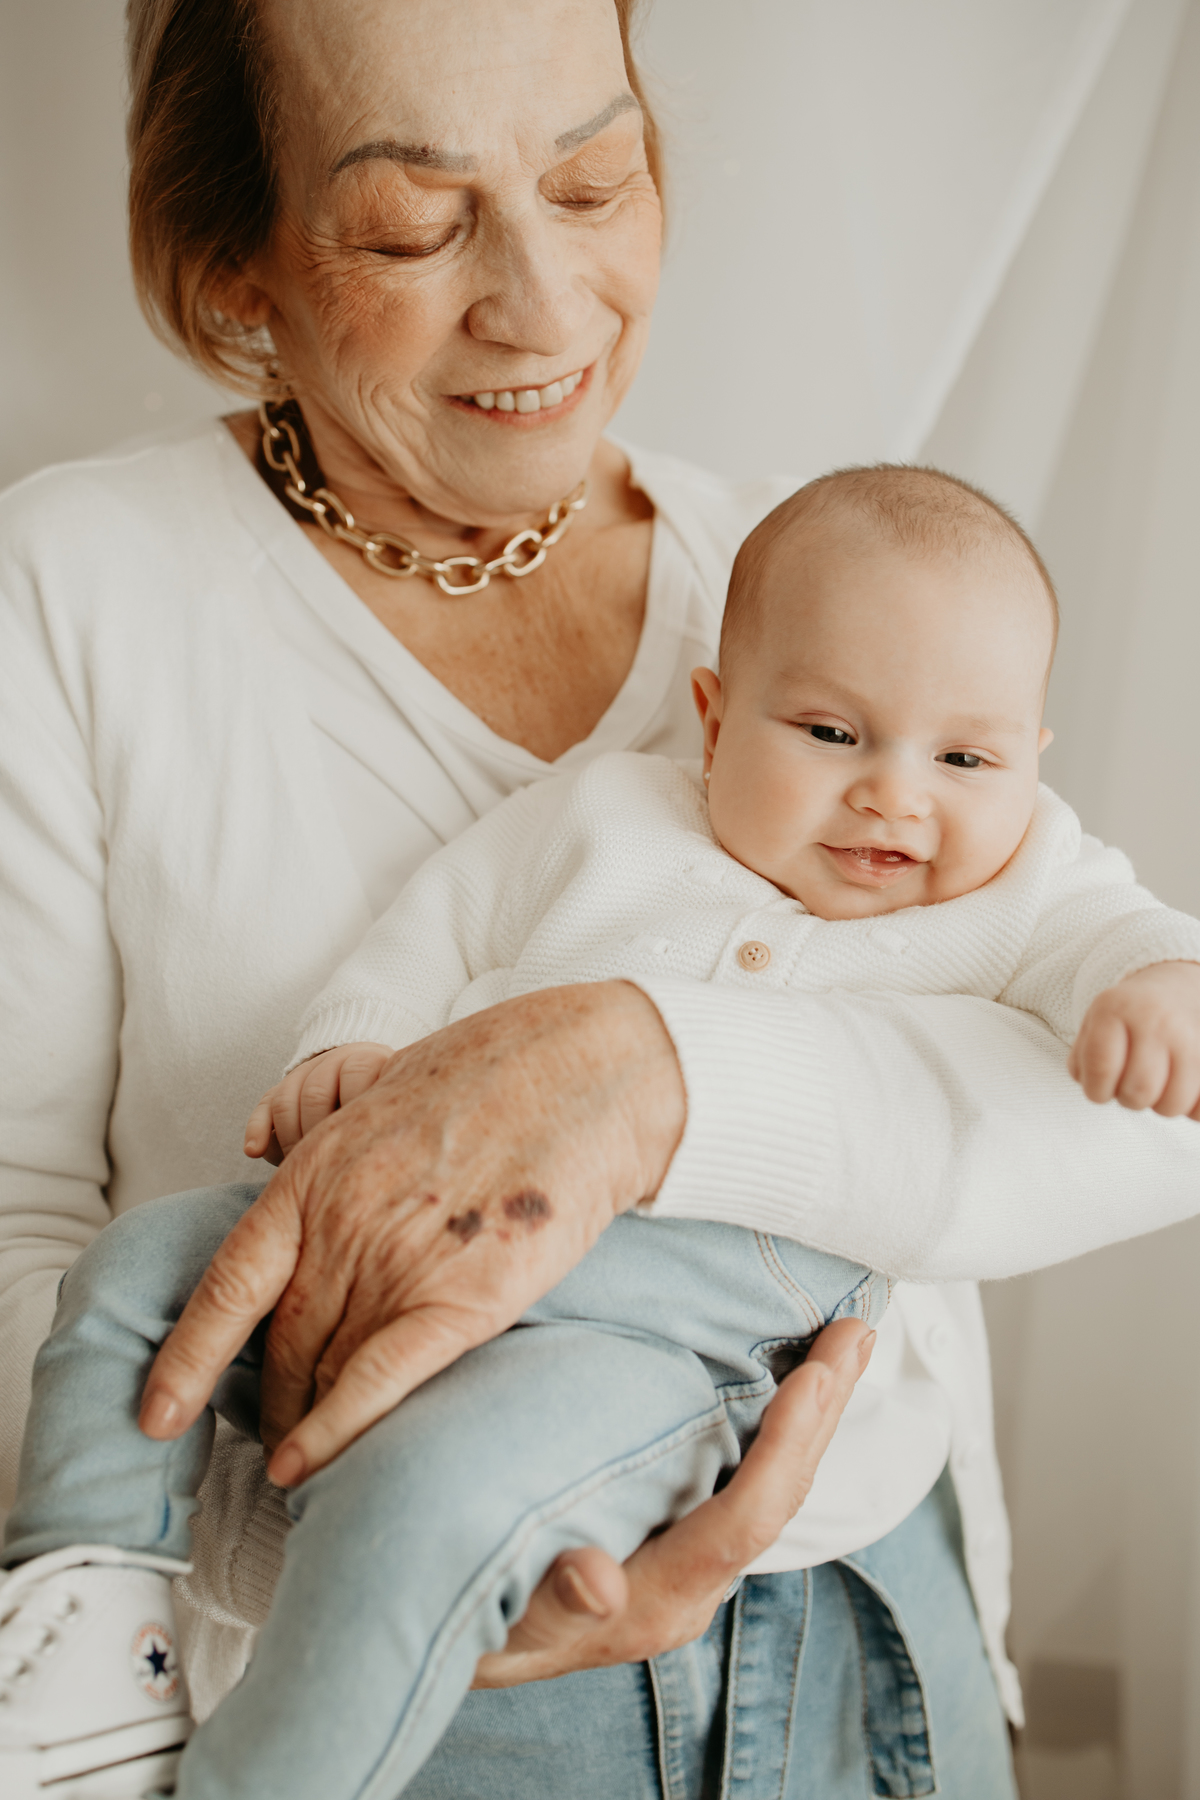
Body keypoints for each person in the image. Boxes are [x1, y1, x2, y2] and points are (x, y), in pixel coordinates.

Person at [5, 1, 1200, 1795]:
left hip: (866, 1620)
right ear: (234, 258)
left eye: (593, 181)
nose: (545, 305)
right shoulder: (70, 593)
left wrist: (651, 1079)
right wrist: (378, 1551)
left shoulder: (831, 573)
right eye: (414, 227)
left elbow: (1141, 1098)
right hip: (366, 1674)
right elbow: (20, 1220)